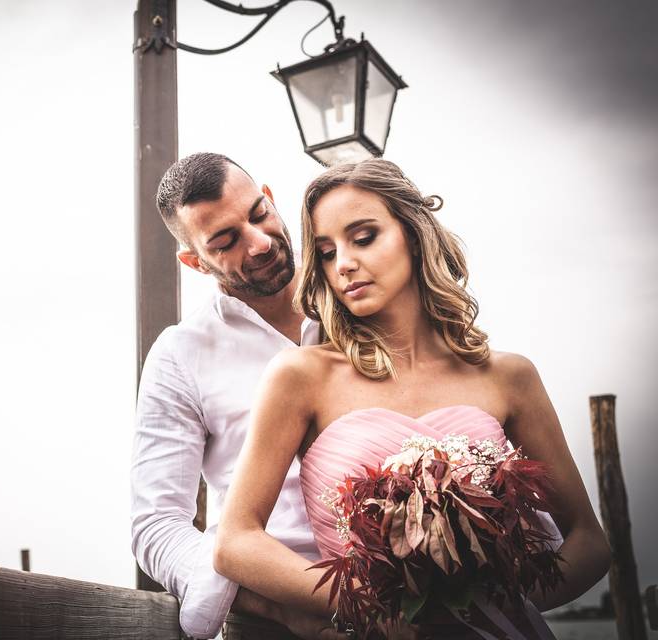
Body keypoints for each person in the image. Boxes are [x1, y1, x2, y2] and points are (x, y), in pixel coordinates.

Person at [213, 159, 611, 637]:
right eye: (324, 252)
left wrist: (499, 605)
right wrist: (369, 607)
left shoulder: (510, 376)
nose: (343, 264)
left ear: (413, 233)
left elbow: (590, 540)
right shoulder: (301, 376)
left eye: (363, 237)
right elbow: (236, 542)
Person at [131, 152, 340, 639]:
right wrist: (278, 606)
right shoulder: (180, 354)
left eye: (259, 214)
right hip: (276, 623)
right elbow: (157, 525)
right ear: (194, 262)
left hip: (414, 596)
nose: (261, 243)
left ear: (268, 197)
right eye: (226, 242)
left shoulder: (358, 297)